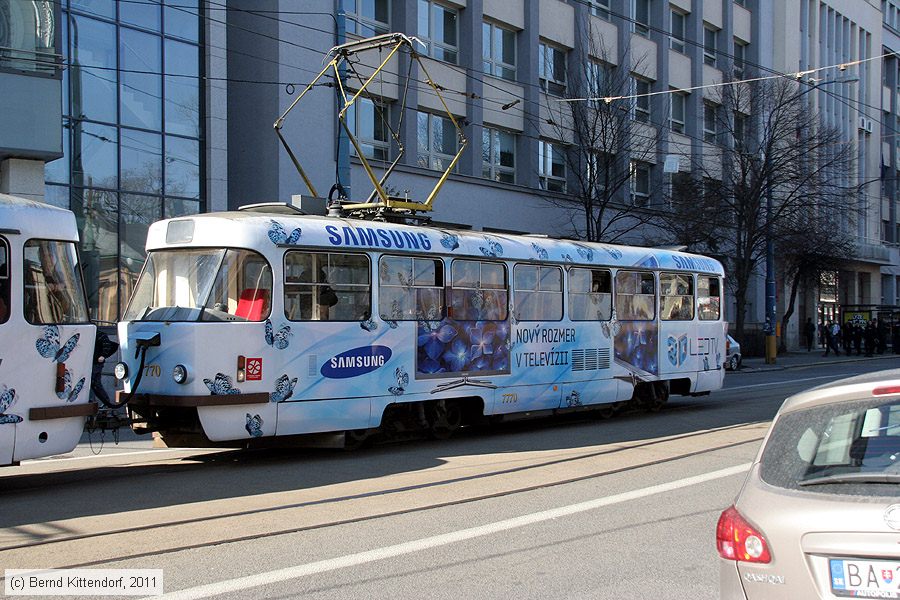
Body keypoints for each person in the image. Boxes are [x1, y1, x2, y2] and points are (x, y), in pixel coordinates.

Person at [91, 329, 119, 407]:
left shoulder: (98, 334)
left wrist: (103, 356)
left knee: (92, 383)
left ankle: (102, 402)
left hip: (95, 362)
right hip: (95, 362)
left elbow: (107, 344)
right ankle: (106, 402)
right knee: (95, 383)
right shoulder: (98, 334)